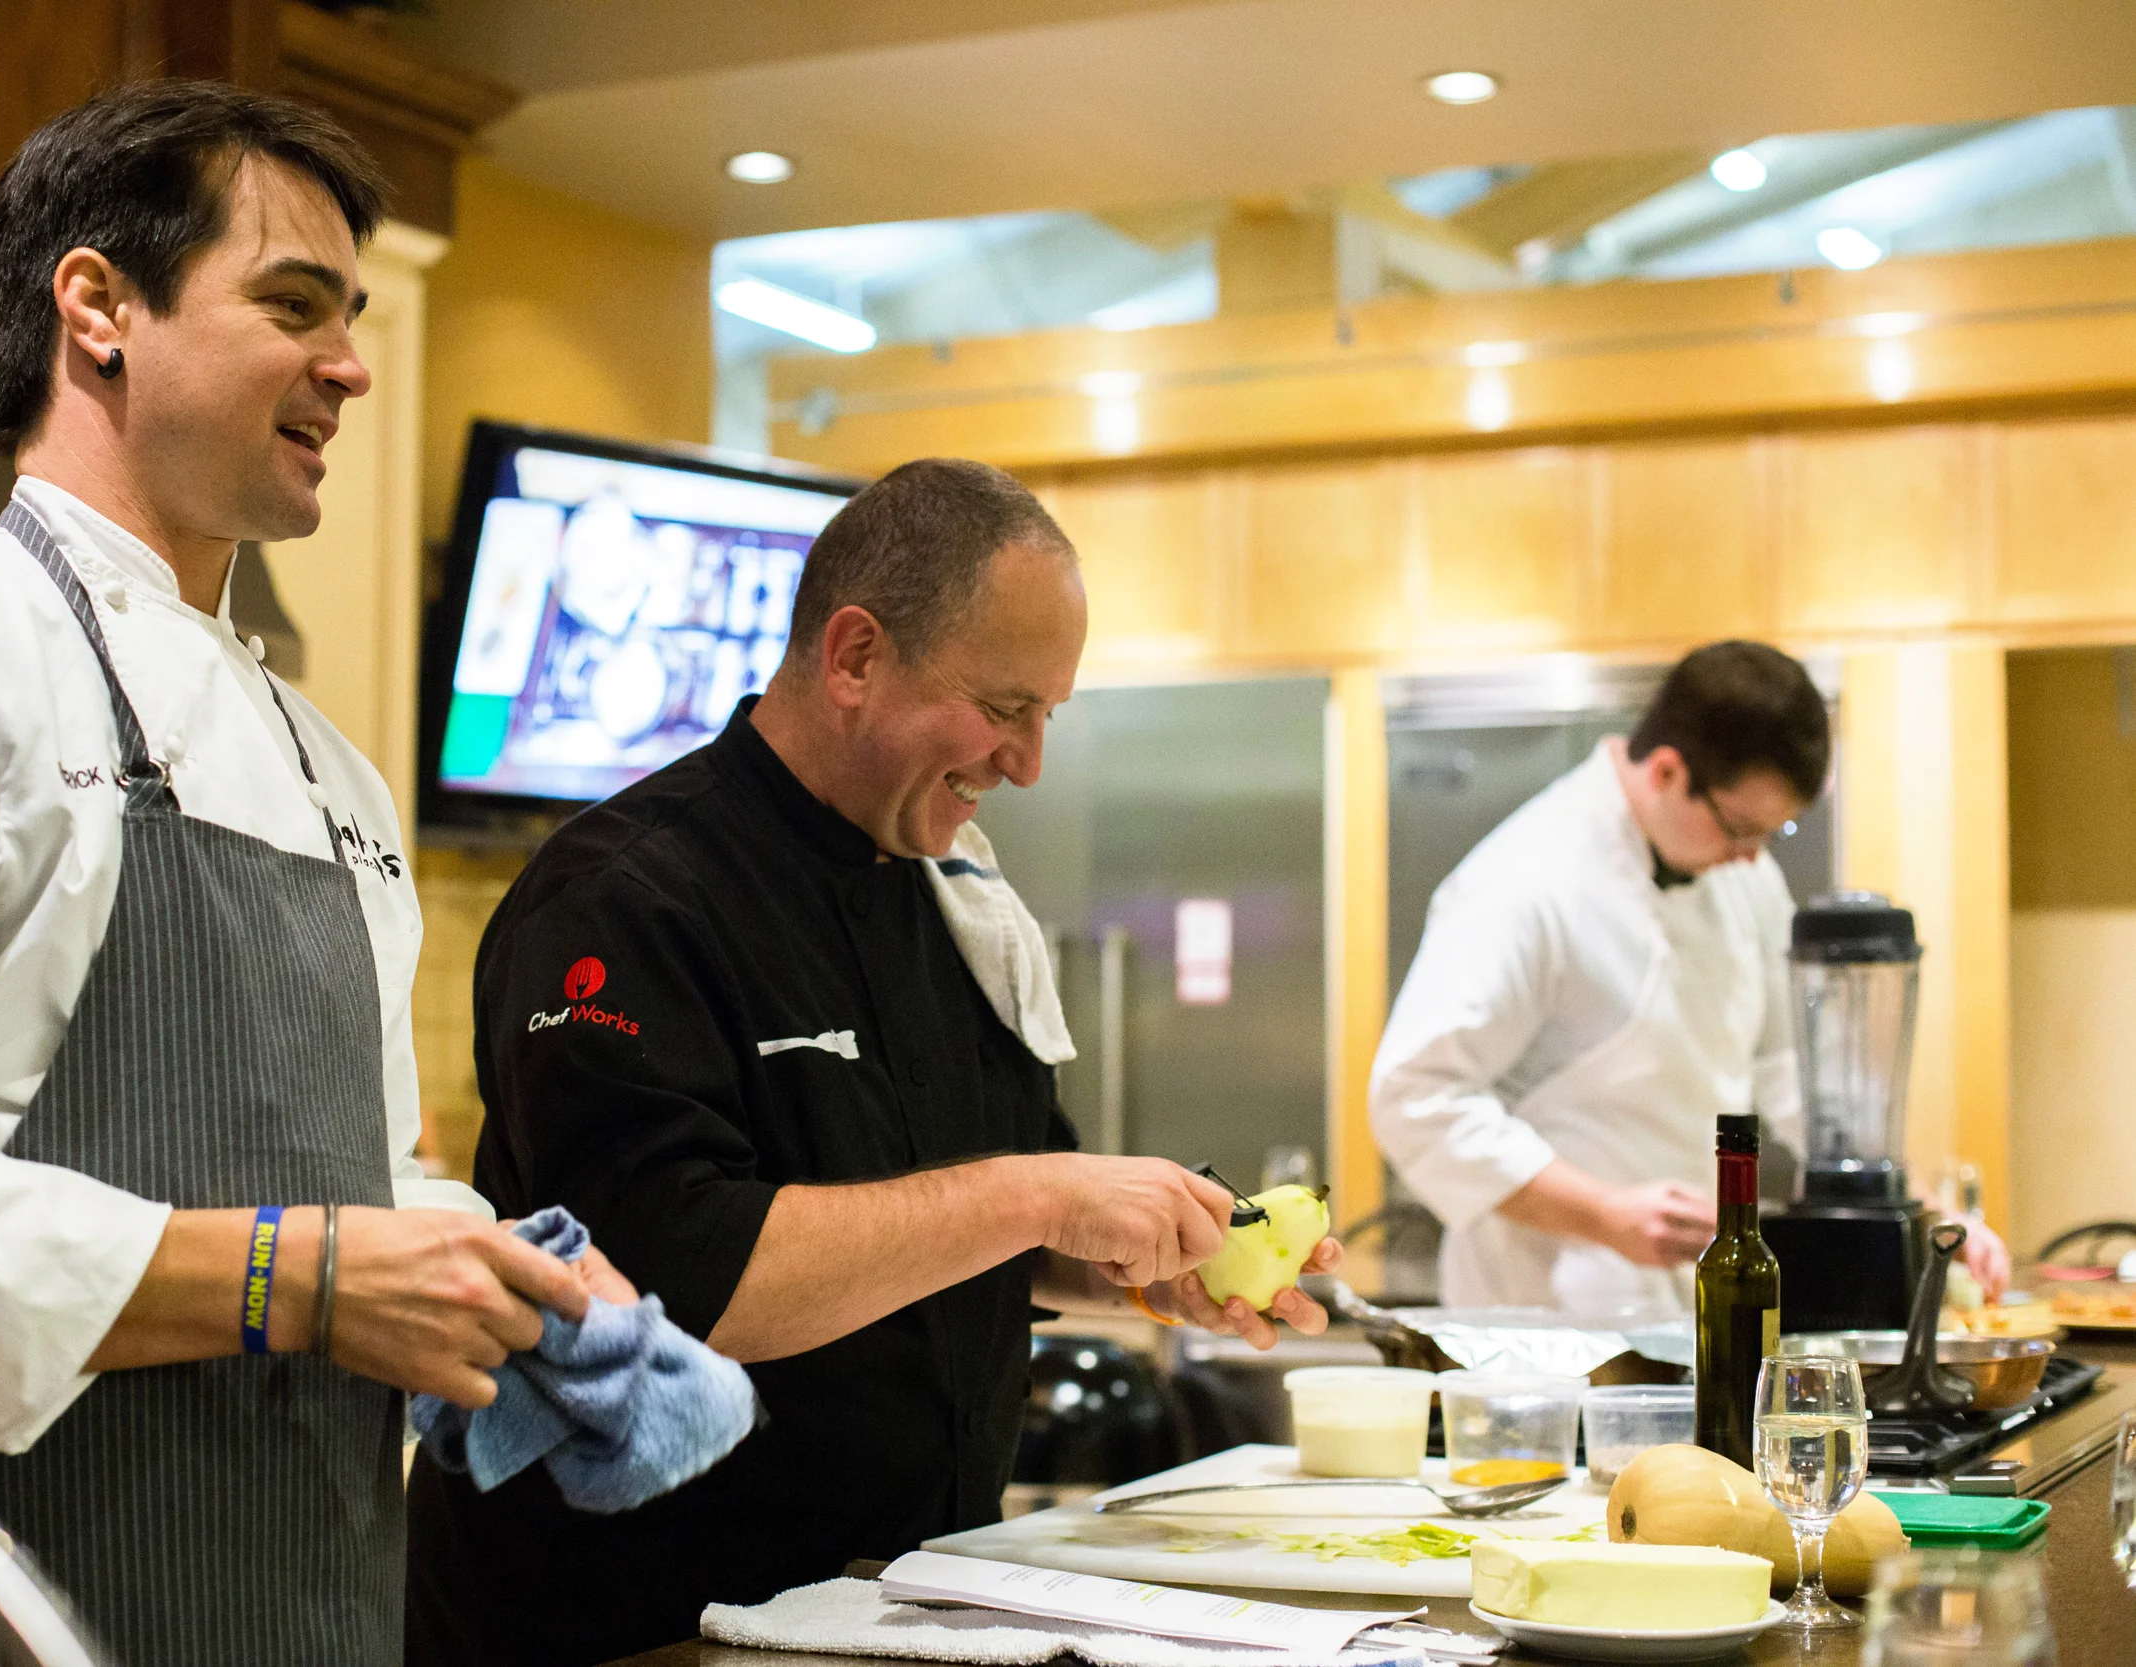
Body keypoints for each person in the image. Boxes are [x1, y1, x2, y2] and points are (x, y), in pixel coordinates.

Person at [0, 82, 630, 1667]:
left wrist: (494, 1266)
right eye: (293, 305)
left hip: (306, 1608)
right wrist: (292, 1275)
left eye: (354, 315)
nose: (353, 365)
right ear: (100, 308)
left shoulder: (333, 768)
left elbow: (360, 1167)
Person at [404, 459, 1340, 1667]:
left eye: (1049, 712)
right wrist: (1040, 1194)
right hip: (633, 1627)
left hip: (895, 1605)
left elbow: (977, 1219)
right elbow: (683, 1284)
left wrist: (1152, 1257)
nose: (1028, 761)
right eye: (1006, 707)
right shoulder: (620, 898)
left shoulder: (952, 895)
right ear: (853, 656)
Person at [1369, 641, 2006, 1314]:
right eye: (1739, 826)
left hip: (1690, 1308)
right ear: (1668, 770)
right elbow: (1414, 1099)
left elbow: (1792, 1072)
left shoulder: (1745, 878)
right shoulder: (1523, 882)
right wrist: (1605, 1213)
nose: (1752, 854)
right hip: (1543, 1319)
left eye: (1774, 831)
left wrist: (1920, 1211)